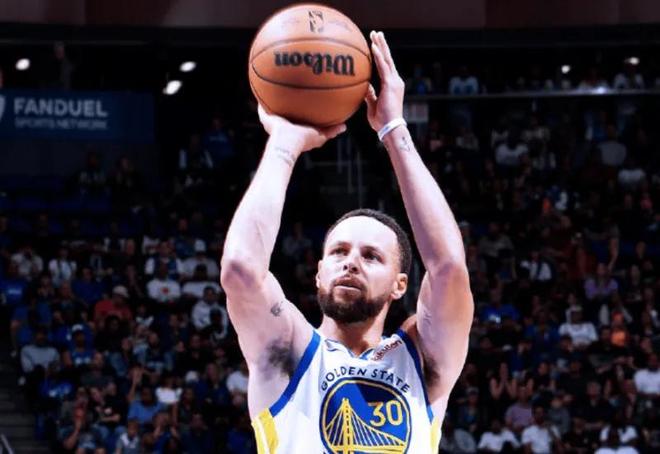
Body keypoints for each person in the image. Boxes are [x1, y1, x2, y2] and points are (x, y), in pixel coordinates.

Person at [220, 31, 473, 453]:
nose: (350, 262)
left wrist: (393, 128)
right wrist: (284, 145)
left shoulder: (422, 359)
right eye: (338, 252)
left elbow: (449, 269)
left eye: (372, 256)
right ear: (319, 272)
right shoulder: (289, 351)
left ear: (400, 284)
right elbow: (241, 269)